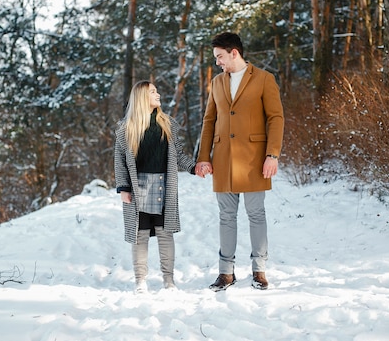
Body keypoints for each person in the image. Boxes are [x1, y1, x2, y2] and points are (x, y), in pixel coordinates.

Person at [196, 32, 284, 291]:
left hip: (255, 159)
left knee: (256, 214)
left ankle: (259, 270)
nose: (218, 62)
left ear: (234, 52)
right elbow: (209, 121)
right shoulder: (217, 83)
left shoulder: (265, 79)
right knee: (226, 216)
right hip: (223, 159)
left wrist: (273, 154)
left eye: (220, 57)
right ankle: (226, 273)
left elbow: (275, 118)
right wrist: (203, 157)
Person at [114, 80, 198, 293]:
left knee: (165, 232)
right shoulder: (126, 128)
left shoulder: (167, 123)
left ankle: (168, 281)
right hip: (137, 186)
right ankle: (140, 280)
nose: (158, 94)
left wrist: (194, 168)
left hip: (164, 185)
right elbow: (120, 160)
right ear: (142, 97)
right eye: (153, 91)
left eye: (157, 90)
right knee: (139, 234)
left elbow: (178, 155)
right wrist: (124, 188)